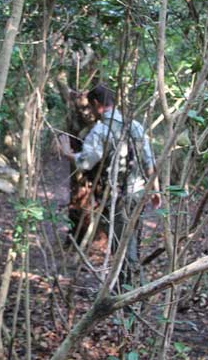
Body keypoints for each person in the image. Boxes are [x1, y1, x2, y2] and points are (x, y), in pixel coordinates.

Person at [57, 84, 161, 279]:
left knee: (123, 249)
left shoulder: (100, 131)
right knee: (131, 242)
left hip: (117, 197)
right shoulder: (135, 125)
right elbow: (149, 161)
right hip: (138, 194)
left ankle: (130, 294)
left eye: (90, 107)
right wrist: (155, 190)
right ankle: (128, 288)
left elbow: (86, 162)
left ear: (97, 104)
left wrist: (67, 153)